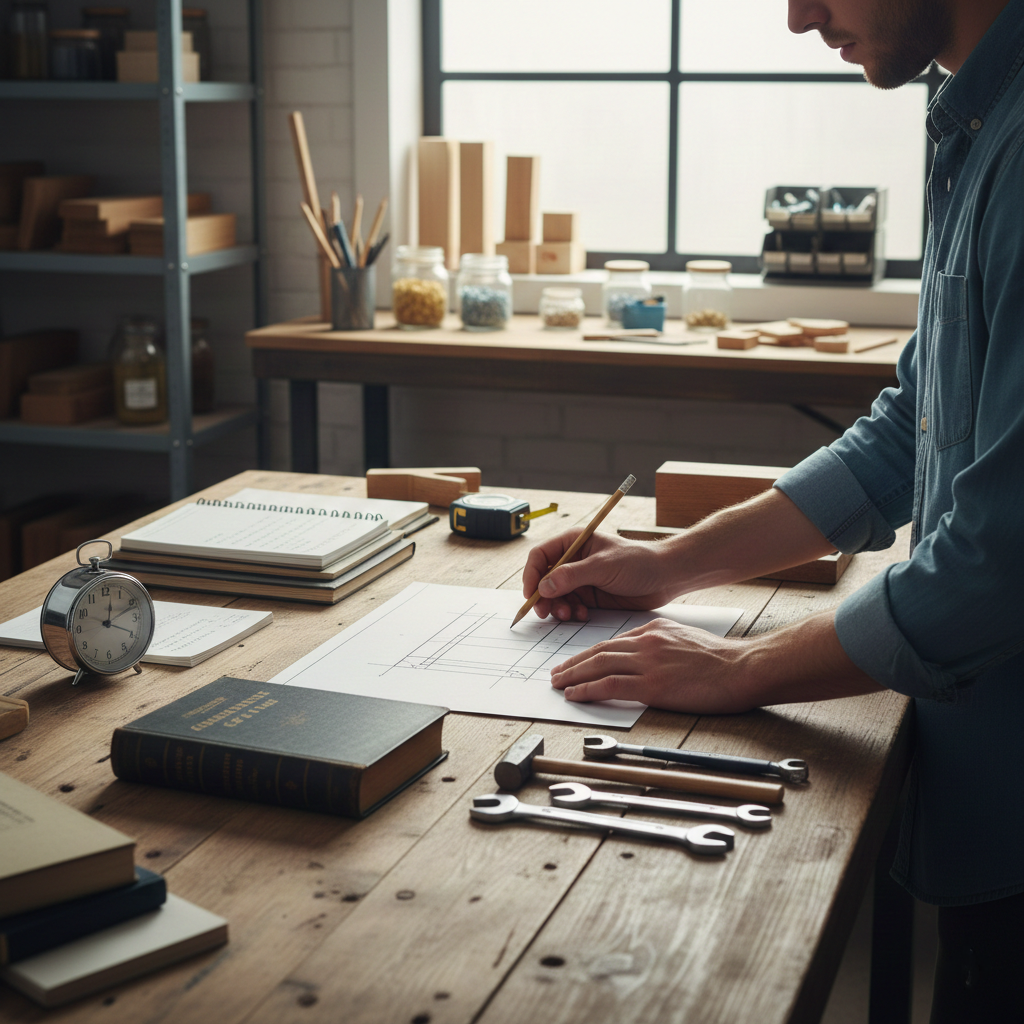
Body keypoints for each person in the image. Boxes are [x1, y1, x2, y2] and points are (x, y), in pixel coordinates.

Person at [521, 1, 1023, 1020]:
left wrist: (746, 665)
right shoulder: (972, 117)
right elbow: (906, 435)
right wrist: (664, 566)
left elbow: (998, 563)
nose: (797, 17)